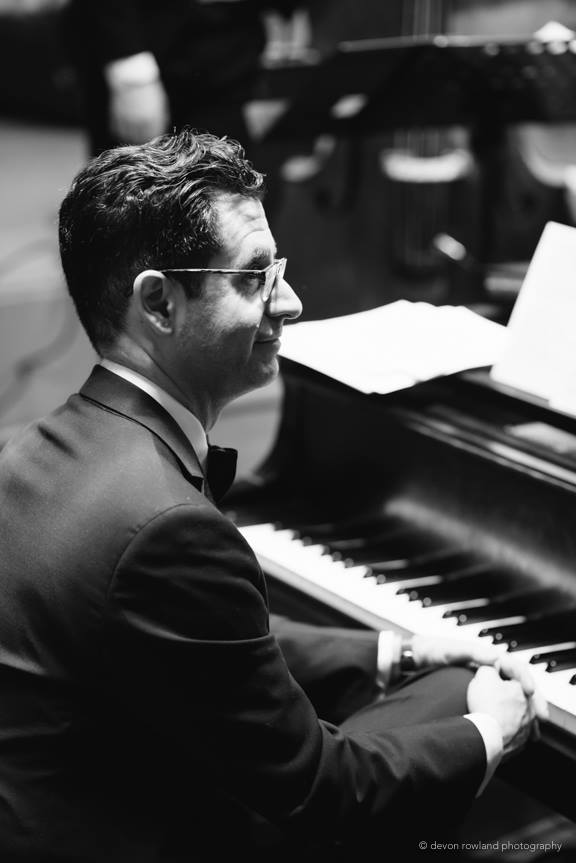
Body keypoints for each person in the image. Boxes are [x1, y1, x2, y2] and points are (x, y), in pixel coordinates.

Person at [0, 128, 547, 862]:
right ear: (158, 303)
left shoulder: (30, 453)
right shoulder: (167, 527)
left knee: (440, 680)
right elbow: (325, 798)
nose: (289, 302)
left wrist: (394, 647)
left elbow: (192, 632)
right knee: (461, 700)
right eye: (254, 277)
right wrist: (489, 732)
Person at [60, 0, 303, 156]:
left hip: (229, 55)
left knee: (221, 192)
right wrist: (129, 67)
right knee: (133, 198)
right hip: (147, 48)